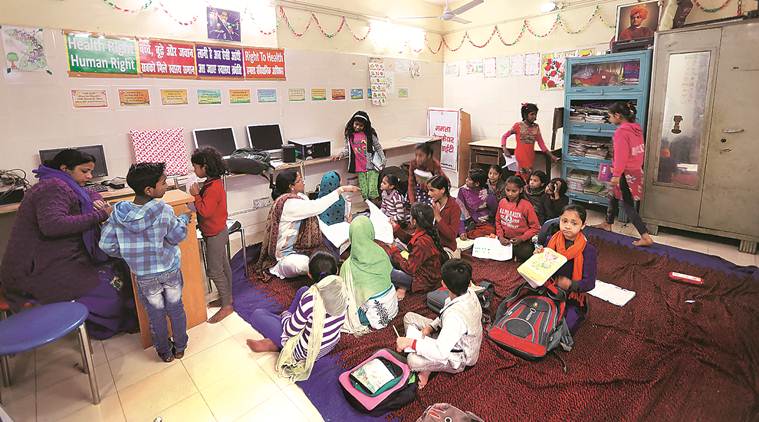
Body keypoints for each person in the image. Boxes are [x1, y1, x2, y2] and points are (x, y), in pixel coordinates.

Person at [0, 149, 135, 340]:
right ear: (65, 169)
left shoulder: (61, 182)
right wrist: (100, 214)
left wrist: (96, 200)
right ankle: (102, 323)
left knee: (118, 264)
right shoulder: (52, 187)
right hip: (37, 268)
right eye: (84, 171)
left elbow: (88, 193)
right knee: (108, 283)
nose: (89, 176)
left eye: (91, 171)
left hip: (57, 257)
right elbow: (52, 225)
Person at [99, 163, 191, 362]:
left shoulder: (118, 215)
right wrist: (183, 220)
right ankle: (180, 347)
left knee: (155, 314)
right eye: (163, 183)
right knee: (175, 308)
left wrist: (128, 253)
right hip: (169, 270)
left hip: (144, 276)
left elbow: (106, 245)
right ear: (149, 190)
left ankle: (164, 352)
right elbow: (177, 236)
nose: (167, 185)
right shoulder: (164, 210)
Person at [247, 251, 347, 381]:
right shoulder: (343, 289)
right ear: (337, 271)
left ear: (309, 274)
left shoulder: (311, 299)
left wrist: (286, 315)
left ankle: (277, 343)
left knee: (258, 315)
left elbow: (290, 331)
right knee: (303, 290)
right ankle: (281, 332)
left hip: (305, 351)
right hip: (329, 345)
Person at [254, 170, 360, 279]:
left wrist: (332, 235)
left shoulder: (300, 197)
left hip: (306, 246)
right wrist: (341, 190)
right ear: (291, 186)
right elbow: (317, 206)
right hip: (287, 256)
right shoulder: (289, 204)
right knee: (305, 263)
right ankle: (320, 267)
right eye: (299, 180)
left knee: (349, 228)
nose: (303, 182)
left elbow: (318, 221)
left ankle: (325, 261)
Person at [395, 259, 483, 390]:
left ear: (444, 284)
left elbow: (441, 352)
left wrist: (411, 343)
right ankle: (426, 358)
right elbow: (444, 314)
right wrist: (431, 327)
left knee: (412, 360)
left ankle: (427, 368)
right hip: (448, 335)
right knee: (409, 317)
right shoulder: (469, 293)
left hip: (459, 357)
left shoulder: (454, 318)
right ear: (469, 282)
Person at [593, 102, 654, 247]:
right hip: (634, 170)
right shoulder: (636, 129)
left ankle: (645, 236)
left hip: (625, 173)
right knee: (613, 196)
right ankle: (608, 223)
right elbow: (637, 151)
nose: (609, 119)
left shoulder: (621, 132)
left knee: (627, 205)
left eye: (609, 116)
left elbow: (621, 156)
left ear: (617, 115)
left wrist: (616, 175)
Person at [188, 147, 234, 324]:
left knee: (214, 270)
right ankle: (227, 298)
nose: (194, 170)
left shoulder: (213, 187)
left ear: (205, 167)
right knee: (223, 266)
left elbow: (205, 211)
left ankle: (227, 305)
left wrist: (196, 195)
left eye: (195, 166)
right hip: (217, 231)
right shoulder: (212, 183)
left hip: (215, 233)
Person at [340, 216, 397, 334]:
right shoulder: (381, 252)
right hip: (391, 305)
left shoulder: (347, 266)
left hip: (371, 315)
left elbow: (345, 295)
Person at [546, 204, 597, 334]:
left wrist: (570, 284)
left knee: (564, 327)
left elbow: (589, 283)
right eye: (564, 221)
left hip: (572, 296)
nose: (567, 226)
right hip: (550, 287)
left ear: (583, 225)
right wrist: (539, 256)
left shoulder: (588, 251)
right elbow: (544, 265)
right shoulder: (551, 241)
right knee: (536, 313)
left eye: (574, 223)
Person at [388, 203, 448, 301]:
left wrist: (394, 251)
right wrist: (396, 228)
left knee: (388, 272)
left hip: (423, 282)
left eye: (410, 216)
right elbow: (411, 240)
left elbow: (409, 268)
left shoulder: (422, 242)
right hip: (426, 273)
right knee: (396, 250)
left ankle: (403, 287)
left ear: (414, 221)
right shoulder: (427, 232)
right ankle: (402, 287)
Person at [332, 111, 386, 202]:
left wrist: (383, 159)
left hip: (372, 166)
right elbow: (348, 150)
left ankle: (375, 207)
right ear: (352, 122)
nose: (357, 127)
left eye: (361, 125)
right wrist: (340, 155)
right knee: (364, 191)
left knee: (372, 190)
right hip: (360, 167)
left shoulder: (369, 135)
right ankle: (369, 206)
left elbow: (378, 147)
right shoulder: (350, 136)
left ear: (365, 126)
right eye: (356, 124)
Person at [501, 103, 559, 180]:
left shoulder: (536, 127)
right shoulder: (518, 126)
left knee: (528, 177)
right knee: (520, 178)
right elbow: (504, 136)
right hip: (520, 156)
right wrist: (504, 149)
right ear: (525, 115)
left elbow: (541, 144)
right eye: (532, 114)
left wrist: (552, 156)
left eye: (535, 114)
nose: (534, 117)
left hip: (530, 157)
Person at [496, 176, 541, 262]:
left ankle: (514, 254)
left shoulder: (526, 205)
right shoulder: (502, 202)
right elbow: (498, 221)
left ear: (520, 190)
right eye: (507, 190)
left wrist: (522, 238)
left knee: (527, 252)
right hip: (505, 239)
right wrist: (500, 236)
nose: (510, 194)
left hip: (521, 241)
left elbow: (535, 227)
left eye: (514, 191)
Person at [457, 168, 497, 240]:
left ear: (477, 184)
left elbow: (494, 212)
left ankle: (470, 233)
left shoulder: (488, 195)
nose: (466, 180)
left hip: (483, 222)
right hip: (467, 221)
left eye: (469, 179)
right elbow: (459, 211)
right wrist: (461, 230)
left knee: (490, 230)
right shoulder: (463, 191)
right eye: (467, 178)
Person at [426, 175, 461, 257]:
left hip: (446, 248)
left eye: (432, 190)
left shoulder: (454, 207)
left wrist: (438, 217)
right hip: (432, 244)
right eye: (428, 190)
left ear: (442, 190)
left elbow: (452, 235)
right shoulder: (433, 203)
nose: (428, 194)